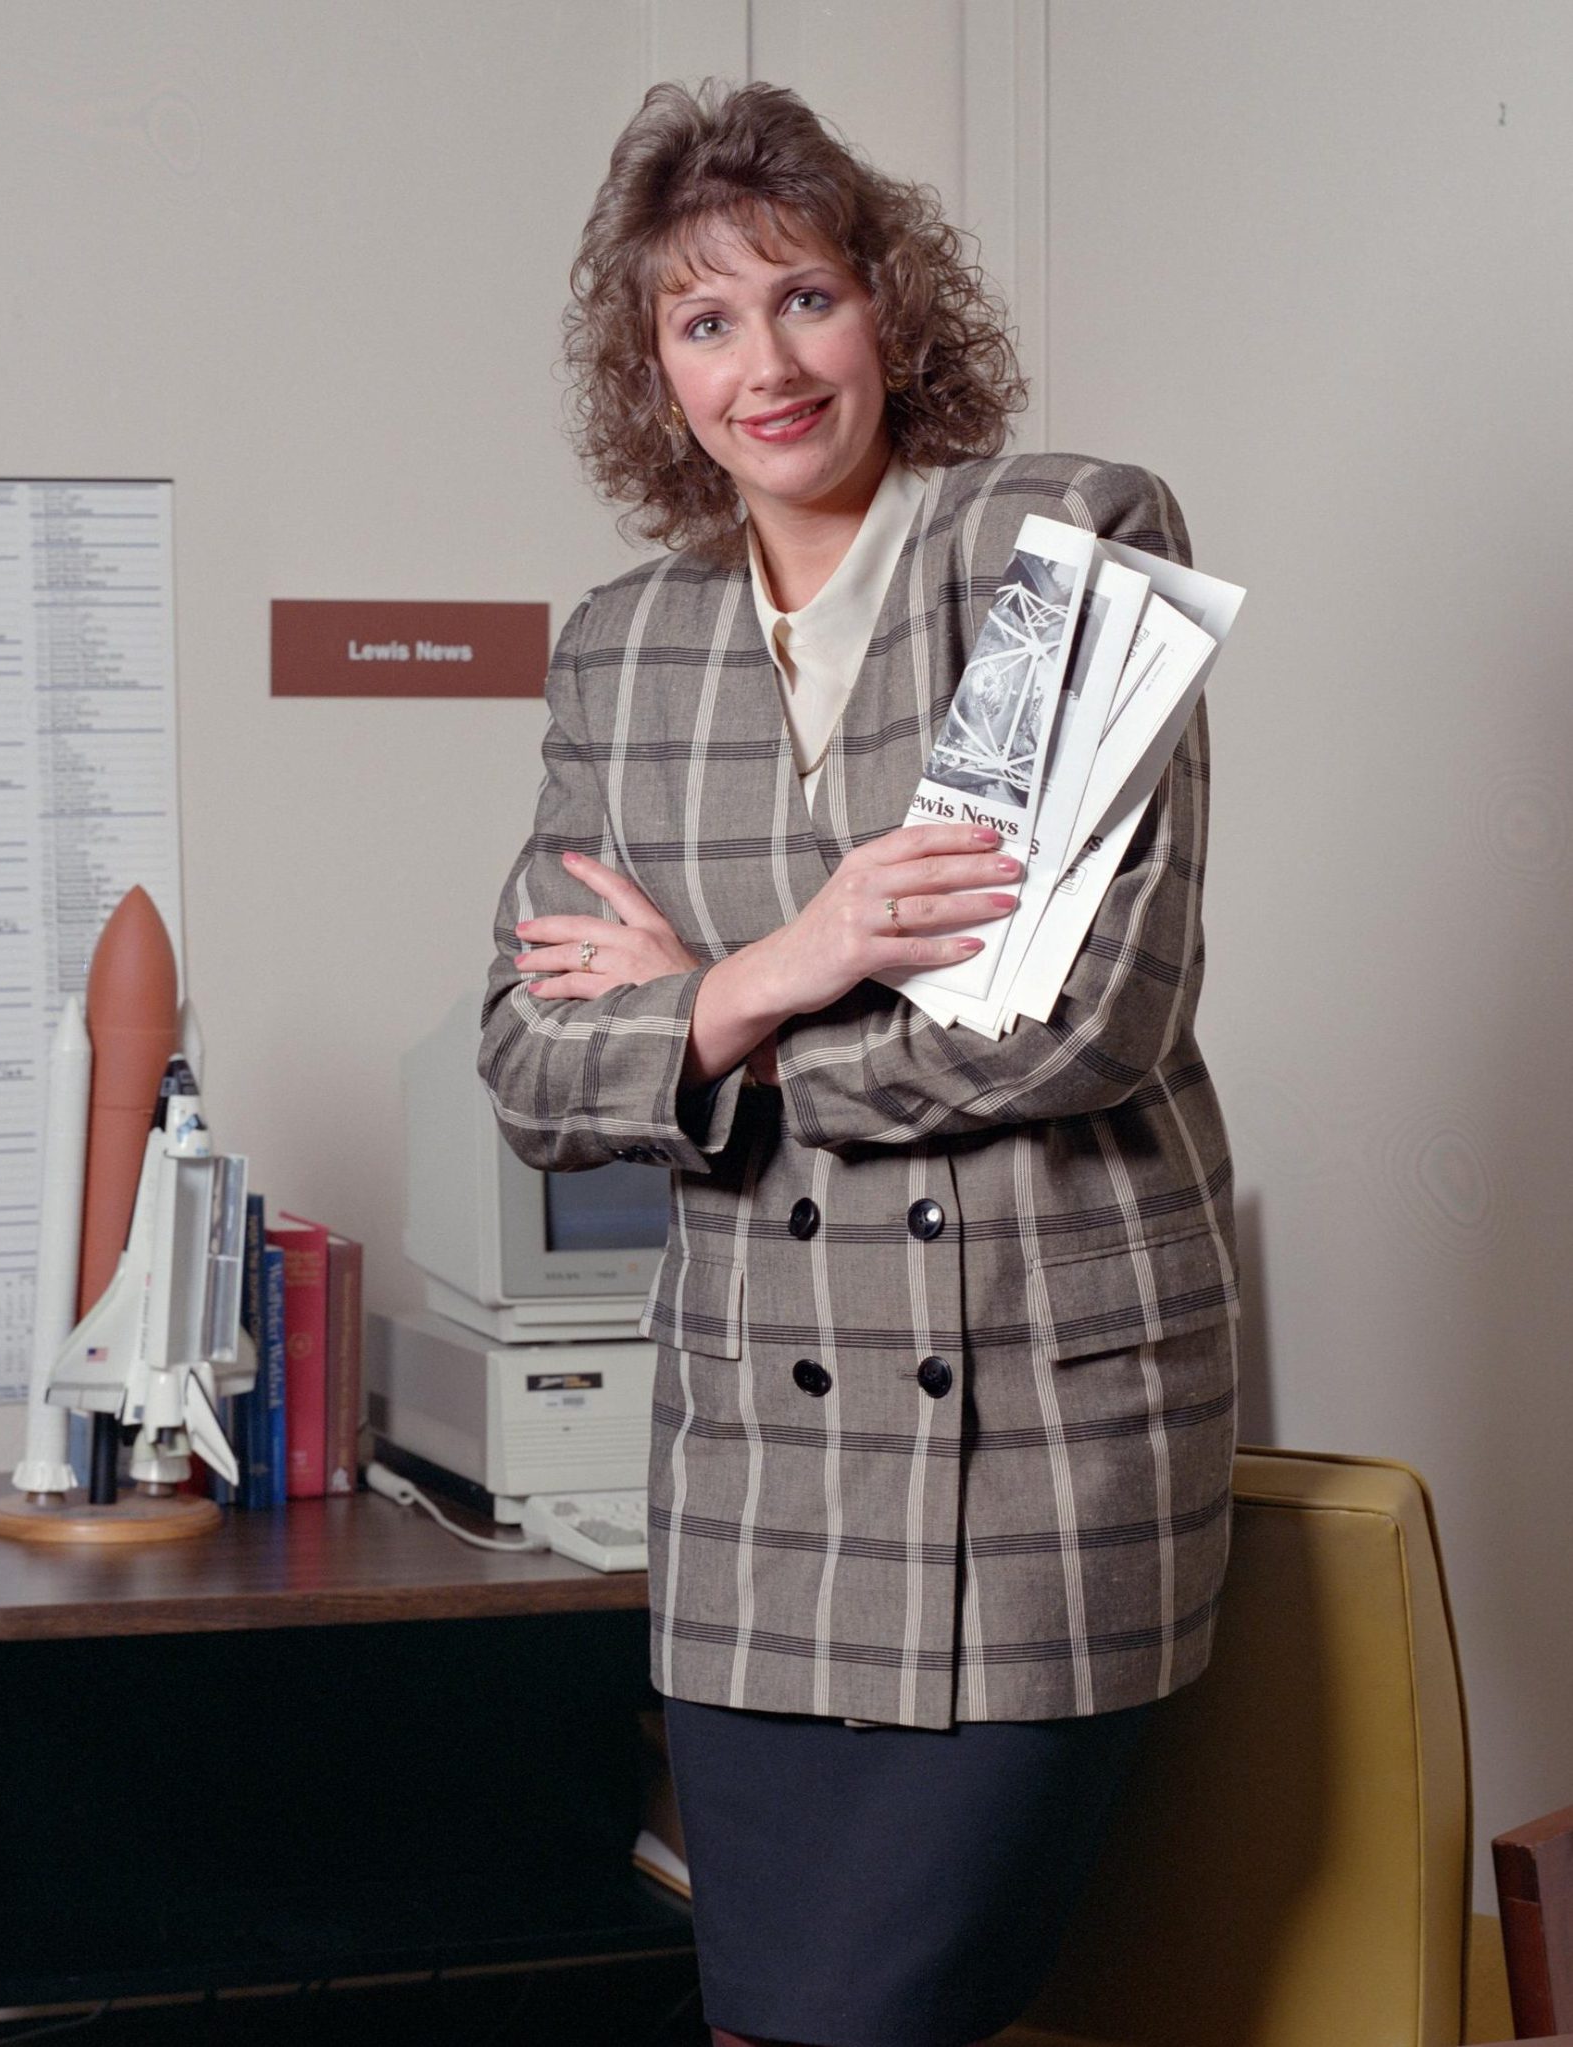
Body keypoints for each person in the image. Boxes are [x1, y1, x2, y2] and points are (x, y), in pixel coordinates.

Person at [477, 78, 1238, 2047]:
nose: (767, 363)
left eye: (803, 297)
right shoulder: (622, 647)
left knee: (895, 2019)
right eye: (704, 322)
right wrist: (800, 962)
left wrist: (717, 1027)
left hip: (1029, 1448)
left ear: (888, 306)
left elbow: (1076, 1017)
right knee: (762, 2019)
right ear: (651, 375)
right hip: (763, 1485)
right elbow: (533, 1062)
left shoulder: (1063, 540)